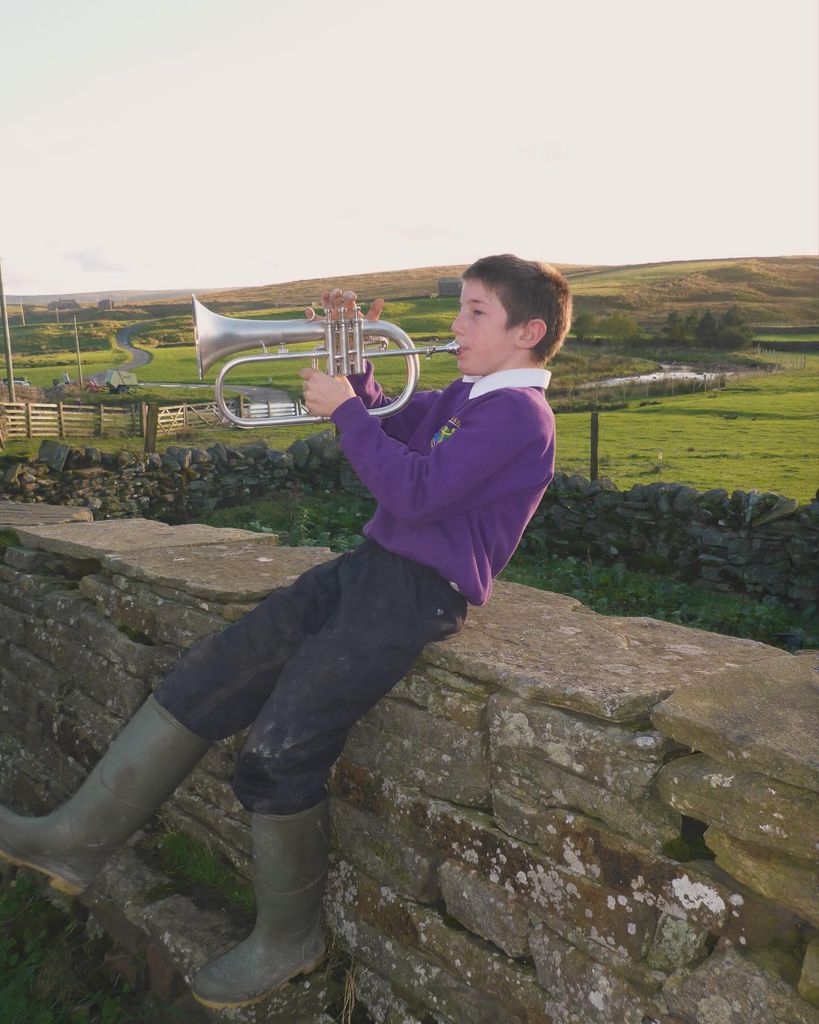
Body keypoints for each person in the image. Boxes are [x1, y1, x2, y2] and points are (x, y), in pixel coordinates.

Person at [0, 254, 572, 1009]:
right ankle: (75, 839)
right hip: (369, 570)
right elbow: (391, 423)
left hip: (415, 597)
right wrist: (355, 361)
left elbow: (414, 487)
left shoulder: (519, 416)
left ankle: (290, 939)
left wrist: (339, 407)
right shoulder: (471, 393)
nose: (454, 325)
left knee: (278, 751)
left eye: (474, 312)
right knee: (210, 672)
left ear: (527, 332)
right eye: (459, 307)